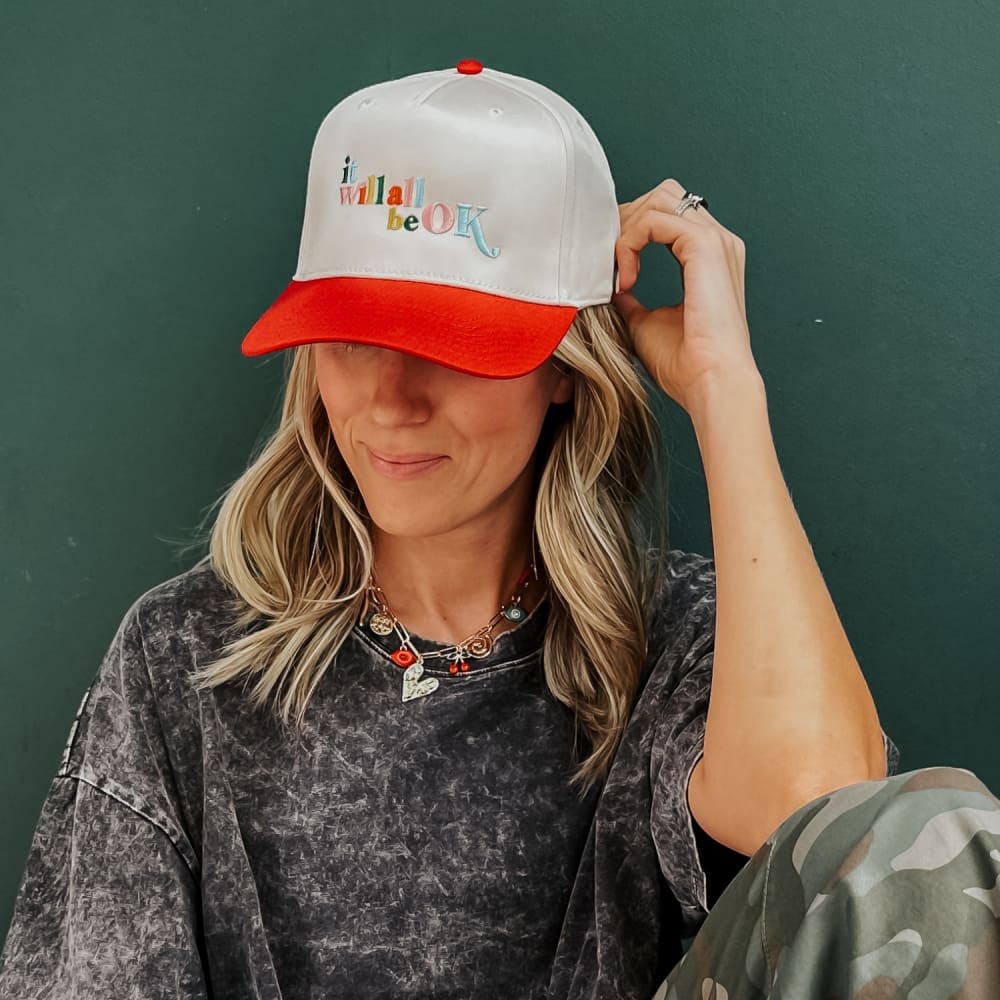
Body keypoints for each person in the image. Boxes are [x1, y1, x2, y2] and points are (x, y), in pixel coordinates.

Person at [1, 61, 998, 1000]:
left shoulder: (684, 638)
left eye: (451, 344)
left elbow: (842, 842)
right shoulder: (183, 654)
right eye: (352, 337)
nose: (391, 402)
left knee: (945, 829)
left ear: (564, 364)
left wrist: (724, 391)